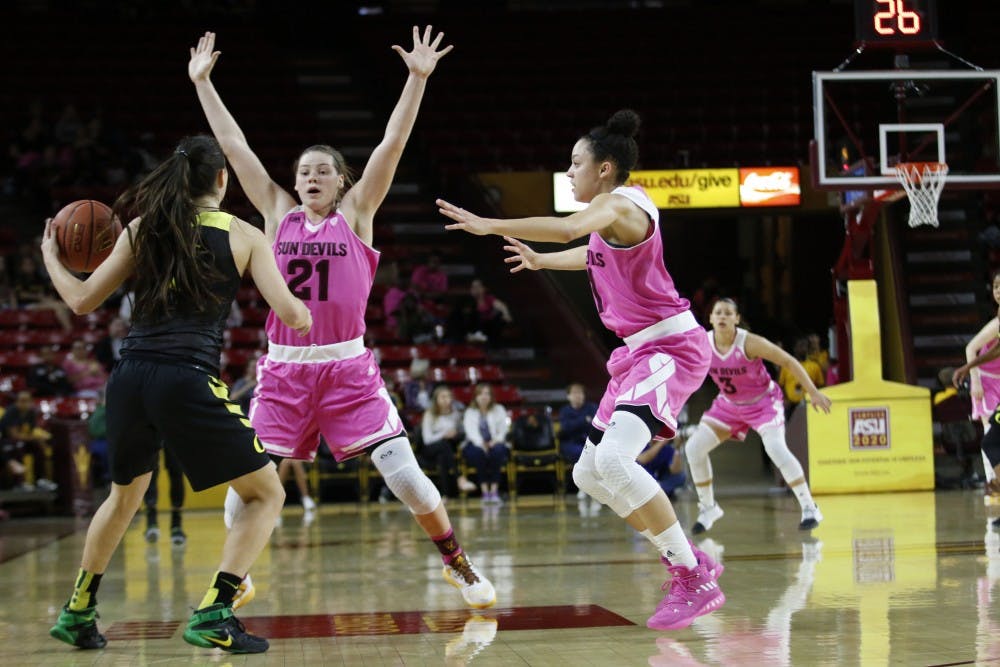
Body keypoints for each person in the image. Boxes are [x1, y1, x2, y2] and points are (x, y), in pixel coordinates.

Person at [190, 29, 495, 610]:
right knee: (244, 490)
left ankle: (456, 562)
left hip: (348, 368)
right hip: (283, 372)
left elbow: (392, 144)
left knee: (405, 477)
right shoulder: (276, 211)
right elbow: (235, 147)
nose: (309, 177)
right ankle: (238, 574)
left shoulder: (357, 214)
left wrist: (416, 79)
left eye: (322, 171)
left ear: (341, 181)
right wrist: (204, 83)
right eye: (303, 170)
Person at [440, 109, 723, 630]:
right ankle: (688, 558)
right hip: (640, 352)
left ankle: (692, 575)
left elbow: (570, 229)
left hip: (671, 347)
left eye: (576, 163)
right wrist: (545, 262)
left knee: (615, 462)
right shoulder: (610, 222)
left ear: (606, 169)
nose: (569, 172)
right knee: (588, 474)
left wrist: (489, 224)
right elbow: (588, 252)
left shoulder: (621, 204)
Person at [42, 133, 312, 654]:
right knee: (267, 494)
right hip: (185, 378)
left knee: (123, 498)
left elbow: (80, 300)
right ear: (221, 180)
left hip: (129, 378)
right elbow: (293, 315)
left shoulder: (144, 228)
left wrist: (52, 254)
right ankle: (214, 611)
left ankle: (77, 612)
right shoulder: (244, 234)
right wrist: (306, 307)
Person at [684, 298, 831, 534]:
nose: (722, 316)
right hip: (729, 405)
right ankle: (708, 508)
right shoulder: (702, 344)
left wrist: (813, 392)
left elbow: (788, 360)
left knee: (775, 448)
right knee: (694, 449)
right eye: (718, 313)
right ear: (710, 318)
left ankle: (809, 506)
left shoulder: (750, 343)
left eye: (728, 313)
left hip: (763, 402)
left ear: (737, 319)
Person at [965, 270, 1000, 496]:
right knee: (991, 441)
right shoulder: (996, 324)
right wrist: (975, 380)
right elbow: (970, 348)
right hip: (988, 386)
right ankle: (994, 495)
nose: (999, 291)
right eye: (996, 287)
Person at [461, 382, 510, 504]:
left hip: (495, 442)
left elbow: (503, 430)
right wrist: (481, 444)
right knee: (478, 453)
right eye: (480, 394)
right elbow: (471, 432)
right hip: (475, 443)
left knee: (498, 451)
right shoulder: (470, 412)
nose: (484, 396)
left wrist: (495, 441)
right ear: (476, 396)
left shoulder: (499, 409)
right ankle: (484, 491)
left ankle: (494, 490)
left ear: (491, 396)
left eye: (487, 393)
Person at [419, 385, 466, 498]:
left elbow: (461, 433)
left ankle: (445, 495)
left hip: (447, 450)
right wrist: (443, 435)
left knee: (442, 457)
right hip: (429, 449)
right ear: (436, 399)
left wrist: (454, 434)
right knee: (443, 445)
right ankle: (459, 477)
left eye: (449, 396)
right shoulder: (429, 414)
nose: (447, 400)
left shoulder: (455, 414)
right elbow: (427, 439)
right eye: (443, 397)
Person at [143, 446, 188, 546]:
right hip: (151, 430)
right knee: (150, 469)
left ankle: (176, 525)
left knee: (176, 469)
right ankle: (151, 521)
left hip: (175, 431)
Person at [557, 382, 598, 468]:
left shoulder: (592, 407)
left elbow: (596, 425)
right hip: (571, 442)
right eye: (574, 393)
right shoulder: (564, 411)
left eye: (580, 392)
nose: (578, 395)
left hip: (590, 441)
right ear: (568, 396)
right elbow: (566, 427)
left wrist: (575, 423)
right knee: (582, 453)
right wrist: (584, 420)